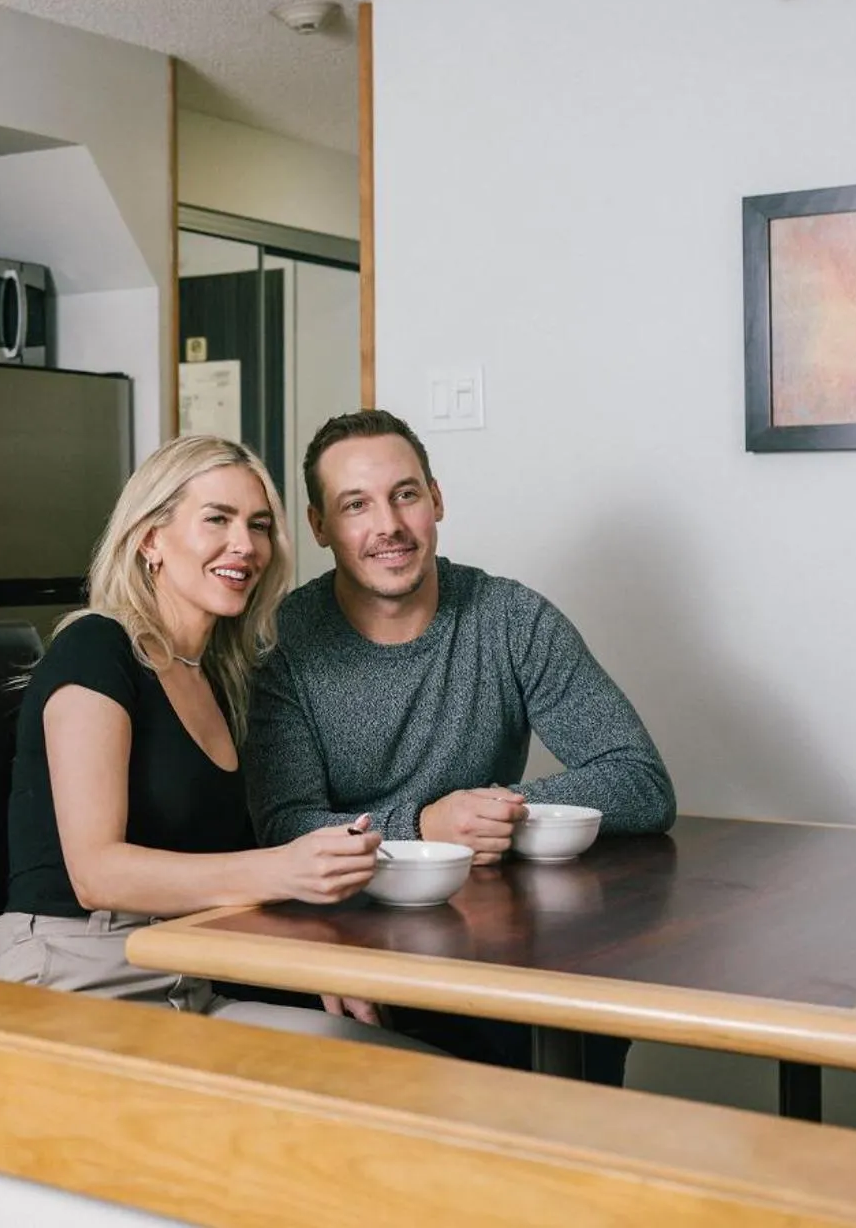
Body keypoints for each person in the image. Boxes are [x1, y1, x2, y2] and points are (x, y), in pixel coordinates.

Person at [244, 408, 676, 1079]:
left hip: (486, 941)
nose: (387, 525)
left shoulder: (511, 618)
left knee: (589, 1024)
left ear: (436, 500)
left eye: (405, 495)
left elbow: (639, 781)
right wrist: (422, 826)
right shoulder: (285, 643)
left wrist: (503, 809)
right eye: (356, 505)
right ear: (320, 527)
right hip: (350, 937)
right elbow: (283, 824)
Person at [0, 433, 430, 1053]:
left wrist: (319, 951)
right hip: (73, 980)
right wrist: (285, 871)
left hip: (186, 986)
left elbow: (216, 873)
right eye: (216, 519)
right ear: (150, 538)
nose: (244, 546)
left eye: (259, 525)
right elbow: (97, 873)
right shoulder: (96, 648)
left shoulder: (221, 677)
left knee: (411, 1070)